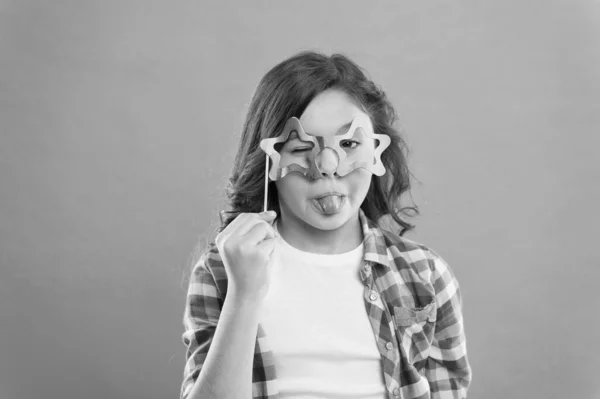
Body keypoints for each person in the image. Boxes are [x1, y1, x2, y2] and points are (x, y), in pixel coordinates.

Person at [180, 50, 472, 399]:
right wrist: (244, 294)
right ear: (270, 159)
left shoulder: (426, 275)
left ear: (376, 152)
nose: (328, 166)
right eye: (302, 146)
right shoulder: (220, 270)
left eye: (348, 143)